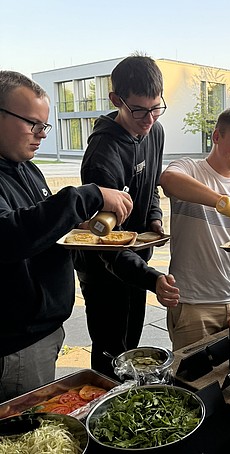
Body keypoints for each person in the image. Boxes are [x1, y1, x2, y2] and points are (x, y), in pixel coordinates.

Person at [0, 71, 135, 401]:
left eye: (44, 126)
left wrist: (80, 228)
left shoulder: (26, 166)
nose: (41, 134)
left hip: (44, 330)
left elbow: (39, 230)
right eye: (32, 123)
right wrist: (87, 196)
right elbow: (9, 236)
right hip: (17, 342)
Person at [73, 55, 180, 377]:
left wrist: (155, 220)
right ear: (116, 100)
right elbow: (103, 240)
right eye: (139, 110)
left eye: (156, 107)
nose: (149, 119)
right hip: (105, 267)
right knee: (110, 352)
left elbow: (149, 189)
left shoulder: (155, 131)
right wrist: (153, 279)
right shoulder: (102, 156)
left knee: (131, 347)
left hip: (136, 257)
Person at [159, 107, 230, 350]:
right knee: (190, 380)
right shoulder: (190, 169)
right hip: (192, 303)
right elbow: (167, 180)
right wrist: (226, 204)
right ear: (216, 136)